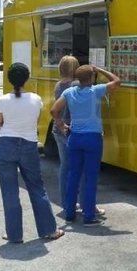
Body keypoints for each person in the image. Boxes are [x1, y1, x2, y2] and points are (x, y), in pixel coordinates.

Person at [0, 62, 64, 243]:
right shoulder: (35, 99)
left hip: (5, 145)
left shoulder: (2, 100)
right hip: (28, 145)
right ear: (27, 79)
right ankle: (48, 230)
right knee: (36, 188)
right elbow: (35, 120)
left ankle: (14, 234)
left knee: (9, 191)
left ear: (9, 80)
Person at [50, 65, 120, 226]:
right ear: (92, 78)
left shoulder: (68, 92)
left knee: (73, 175)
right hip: (92, 139)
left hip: (74, 138)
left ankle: (69, 214)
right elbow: (117, 81)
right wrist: (100, 69)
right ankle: (89, 216)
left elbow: (54, 110)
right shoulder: (96, 91)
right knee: (90, 177)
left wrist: (61, 126)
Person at [52, 55, 79, 207]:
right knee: (77, 167)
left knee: (65, 166)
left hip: (58, 128)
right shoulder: (75, 84)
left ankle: (65, 200)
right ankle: (80, 201)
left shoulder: (58, 84)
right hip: (70, 129)